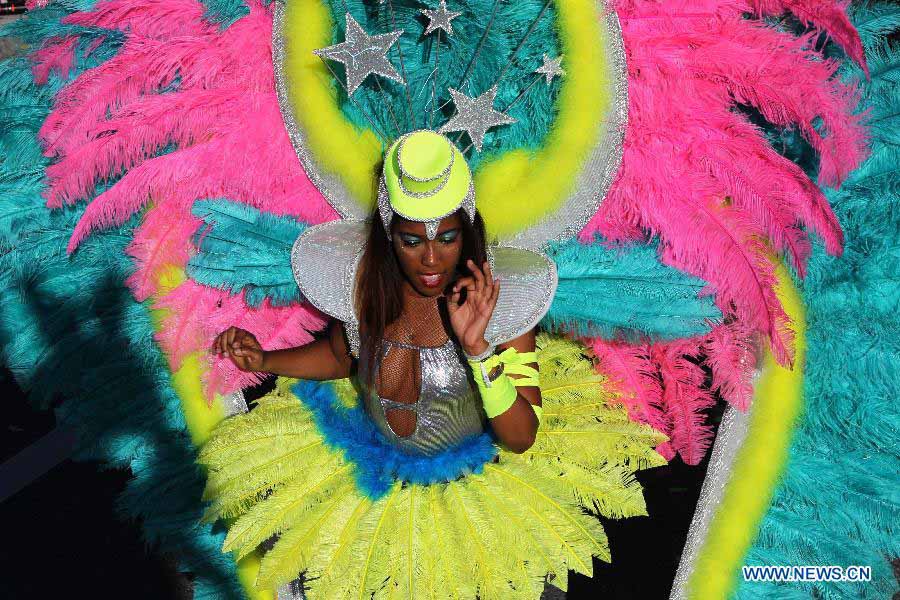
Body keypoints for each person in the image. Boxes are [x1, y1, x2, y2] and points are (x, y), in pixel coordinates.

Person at [212, 131, 542, 454]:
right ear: (389, 236)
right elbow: (340, 357)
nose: (430, 260)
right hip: (379, 475)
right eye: (411, 242)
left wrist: (478, 351)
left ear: (466, 233)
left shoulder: (503, 301)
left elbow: (521, 439)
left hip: (471, 486)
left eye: (447, 239)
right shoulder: (368, 286)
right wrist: (265, 360)